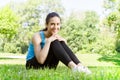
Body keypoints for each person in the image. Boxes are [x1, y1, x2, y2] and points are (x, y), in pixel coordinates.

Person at [26, 12, 91, 74]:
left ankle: (80, 66)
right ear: (46, 24)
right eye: (52, 24)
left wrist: (63, 43)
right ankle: (74, 68)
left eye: (58, 24)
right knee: (54, 41)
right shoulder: (37, 36)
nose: (55, 27)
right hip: (32, 65)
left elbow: (62, 54)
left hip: (48, 66)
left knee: (59, 40)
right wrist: (48, 41)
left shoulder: (55, 37)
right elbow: (40, 60)